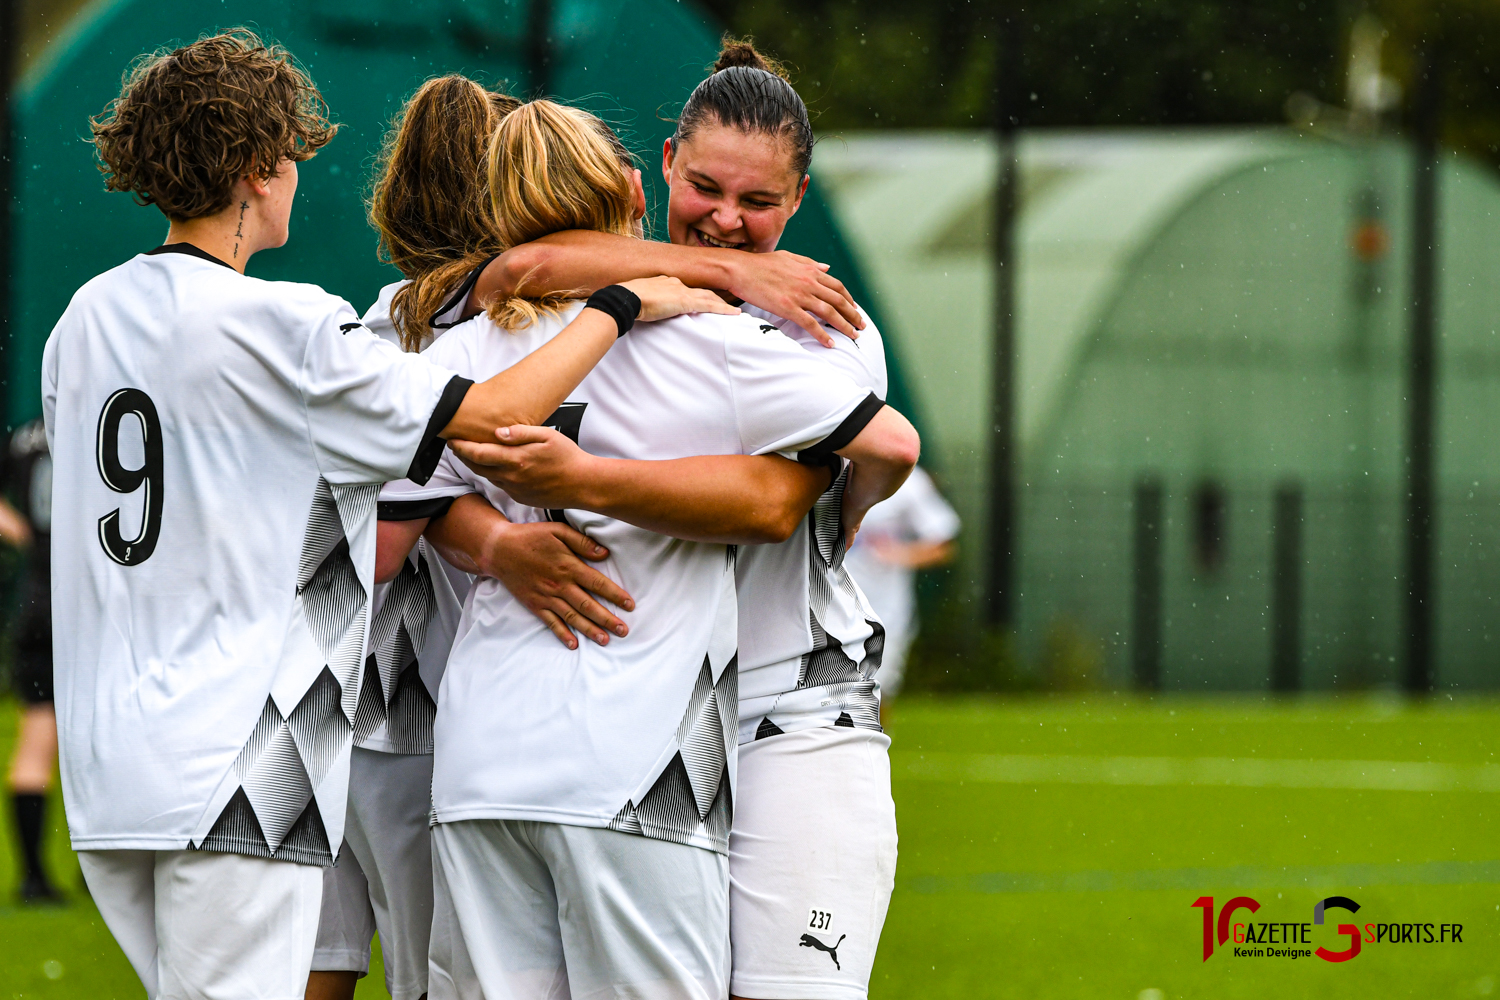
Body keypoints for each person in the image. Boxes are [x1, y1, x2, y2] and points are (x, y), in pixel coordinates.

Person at [48, 30, 730, 999]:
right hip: (241, 756)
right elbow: (487, 415)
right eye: (288, 154)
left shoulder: (85, 319)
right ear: (254, 169)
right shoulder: (285, 324)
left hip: (112, 763)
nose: (295, 174)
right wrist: (616, 304)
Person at [312, 71, 885, 1000]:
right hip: (625, 729)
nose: (727, 220)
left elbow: (778, 503)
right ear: (649, 173)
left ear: (801, 198)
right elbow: (514, 277)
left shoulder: (811, 324)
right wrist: (501, 544)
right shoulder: (499, 322)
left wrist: (577, 482)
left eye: (759, 202)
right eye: (705, 189)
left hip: (783, 713)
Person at [2, 419, 58, 902]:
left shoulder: (24, 436)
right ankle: (115, 865)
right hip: (94, 599)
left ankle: (33, 876)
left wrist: (25, 534)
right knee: (110, 733)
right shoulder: (102, 416)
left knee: (35, 738)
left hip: (36, 601)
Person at [844, 467, 960, 699]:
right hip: (823, 605)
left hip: (883, 613)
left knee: (874, 694)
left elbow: (943, 545)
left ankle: (874, 736)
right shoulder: (821, 466)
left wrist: (897, 554)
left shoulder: (907, 479)